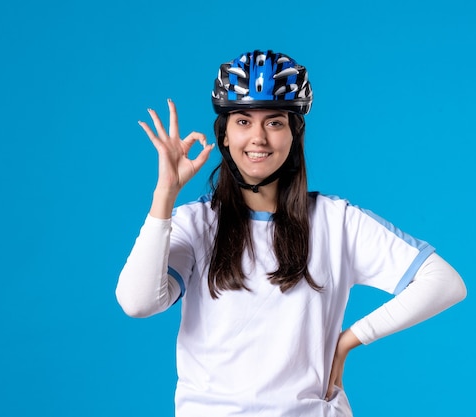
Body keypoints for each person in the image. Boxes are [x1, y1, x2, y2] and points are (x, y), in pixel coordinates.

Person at [115, 49, 466, 417]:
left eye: (275, 122)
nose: (258, 138)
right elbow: (138, 303)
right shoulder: (196, 223)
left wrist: (350, 339)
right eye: (243, 121)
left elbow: (444, 282)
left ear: (295, 134)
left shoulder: (336, 221)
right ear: (224, 134)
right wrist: (165, 195)